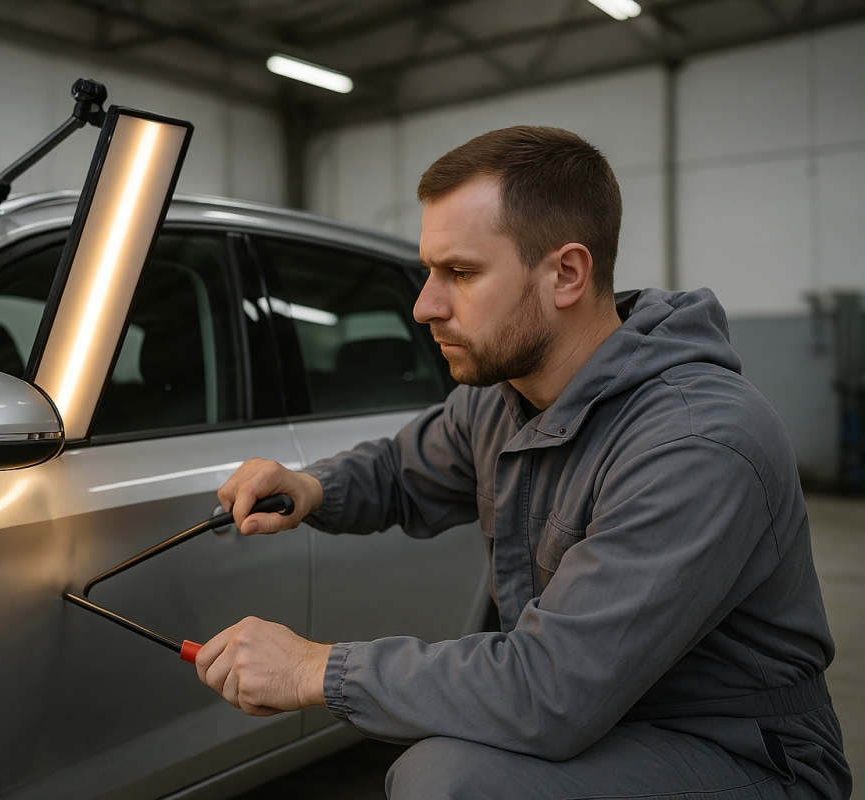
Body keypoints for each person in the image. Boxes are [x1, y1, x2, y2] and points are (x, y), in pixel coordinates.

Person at [192, 126, 850, 799]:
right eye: (428, 272)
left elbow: (550, 689)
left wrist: (316, 669)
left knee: (450, 781)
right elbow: (401, 470)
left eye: (462, 273)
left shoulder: (694, 443)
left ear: (566, 273)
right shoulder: (506, 401)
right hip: (613, 720)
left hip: (738, 753)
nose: (425, 306)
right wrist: (310, 486)